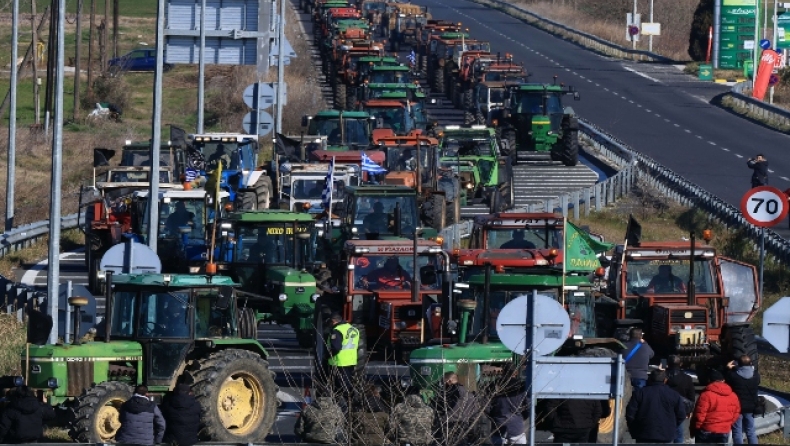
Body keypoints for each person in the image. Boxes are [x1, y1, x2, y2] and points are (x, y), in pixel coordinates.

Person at [626, 369, 687, 444]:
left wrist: (635, 429)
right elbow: (681, 415)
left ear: (650, 378)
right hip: (666, 435)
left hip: (643, 434)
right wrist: (671, 425)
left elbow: (630, 414)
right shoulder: (674, 395)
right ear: (665, 380)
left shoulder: (639, 393)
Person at [691, 369, 741, 444]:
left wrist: (697, 428)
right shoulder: (733, 395)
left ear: (709, 380)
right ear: (723, 380)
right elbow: (736, 412)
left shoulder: (706, 395)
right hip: (724, 430)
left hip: (707, 429)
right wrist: (729, 423)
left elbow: (700, 414)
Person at [433, 372, 479, 446]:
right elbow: (475, 413)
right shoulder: (469, 395)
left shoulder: (447, 394)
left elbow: (437, 409)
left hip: (447, 428)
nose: (442, 384)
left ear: (449, 381)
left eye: (442, 381)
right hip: (463, 428)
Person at [489, 364, 528, 445]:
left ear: (503, 372)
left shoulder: (494, 385)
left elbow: (485, 404)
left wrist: (493, 416)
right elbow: (527, 407)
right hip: (516, 426)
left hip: (498, 424)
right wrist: (522, 417)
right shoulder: (521, 387)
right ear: (516, 373)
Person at [726, 355, 760, 444]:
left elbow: (727, 380)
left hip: (737, 407)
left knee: (737, 431)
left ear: (738, 364)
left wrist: (729, 368)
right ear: (750, 364)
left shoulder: (734, 376)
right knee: (751, 431)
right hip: (751, 407)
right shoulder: (756, 376)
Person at [326, 313, 360, 399]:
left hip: (339, 362)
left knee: (341, 386)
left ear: (333, 321)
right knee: (348, 382)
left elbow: (336, 347)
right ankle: (352, 401)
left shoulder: (337, 330)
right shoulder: (354, 329)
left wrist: (328, 356)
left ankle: (347, 403)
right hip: (351, 361)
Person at [665, 355, 696, 444]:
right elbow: (691, 395)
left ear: (668, 364)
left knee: (665, 433)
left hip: (665, 406)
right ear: (680, 364)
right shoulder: (687, 378)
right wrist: (690, 410)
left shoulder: (663, 376)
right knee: (679, 432)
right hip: (680, 407)